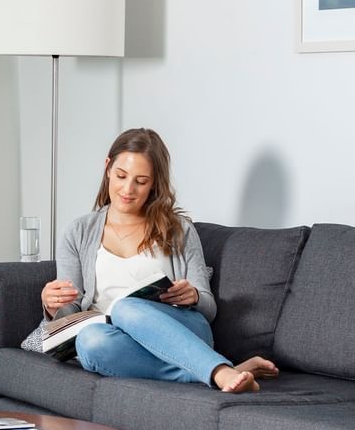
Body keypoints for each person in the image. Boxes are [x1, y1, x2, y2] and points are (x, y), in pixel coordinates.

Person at [39, 127, 277, 393]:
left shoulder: (179, 230)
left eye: (141, 181)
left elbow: (208, 308)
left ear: (154, 183)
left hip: (182, 330)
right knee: (89, 341)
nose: (128, 189)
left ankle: (219, 372)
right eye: (121, 176)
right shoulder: (78, 232)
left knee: (125, 308)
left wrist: (194, 297)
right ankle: (223, 370)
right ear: (108, 168)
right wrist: (52, 305)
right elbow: (70, 312)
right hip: (117, 340)